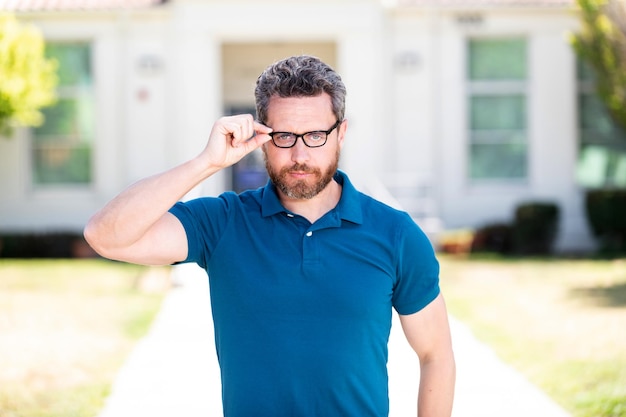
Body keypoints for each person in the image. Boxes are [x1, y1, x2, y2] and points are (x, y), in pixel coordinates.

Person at [84, 55, 455, 417]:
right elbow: (106, 236)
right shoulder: (222, 222)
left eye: (315, 135)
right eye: (283, 136)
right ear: (261, 136)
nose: (299, 154)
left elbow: (435, 354)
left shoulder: (395, 233)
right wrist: (206, 162)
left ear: (340, 133)